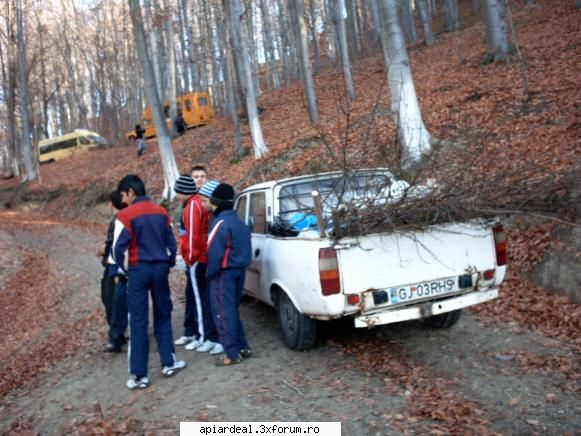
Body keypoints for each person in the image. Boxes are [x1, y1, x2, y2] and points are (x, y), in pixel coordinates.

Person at [112, 175, 185, 390]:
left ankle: (139, 375)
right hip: (160, 269)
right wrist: (168, 263)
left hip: (138, 270)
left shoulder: (125, 216)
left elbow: (117, 250)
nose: (123, 199)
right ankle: (168, 363)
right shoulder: (161, 212)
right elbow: (172, 244)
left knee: (138, 320)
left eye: (123, 195)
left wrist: (126, 270)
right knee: (163, 314)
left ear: (131, 192)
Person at [199, 181, 252, 366]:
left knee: (222, 311)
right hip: (240, 270)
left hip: (224, 273)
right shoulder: (239, 221)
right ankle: (243, 346)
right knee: (232, 309)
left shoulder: (220, 223)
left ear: (215, 202)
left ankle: (231, 353)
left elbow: (214, 252)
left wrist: (210, 274)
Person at [173, 175, 222, 355]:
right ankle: (205, 334)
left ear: (182, 191)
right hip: (201, 256)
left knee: (200, 300)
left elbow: (193, 234)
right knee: (202, 298)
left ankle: (203, 336)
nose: (176, 195)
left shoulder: (193, 205)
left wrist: (190, 256)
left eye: (177, 191)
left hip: (197, 258)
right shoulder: (196, 203)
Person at [103, 189, 129, 353]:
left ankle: (116, 336)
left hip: (118, 267)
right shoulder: (122, 218)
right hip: (121, 265)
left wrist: (104, 249)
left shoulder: (119, 220)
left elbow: (115, 246)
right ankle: (117, 334)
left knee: (112, 299)